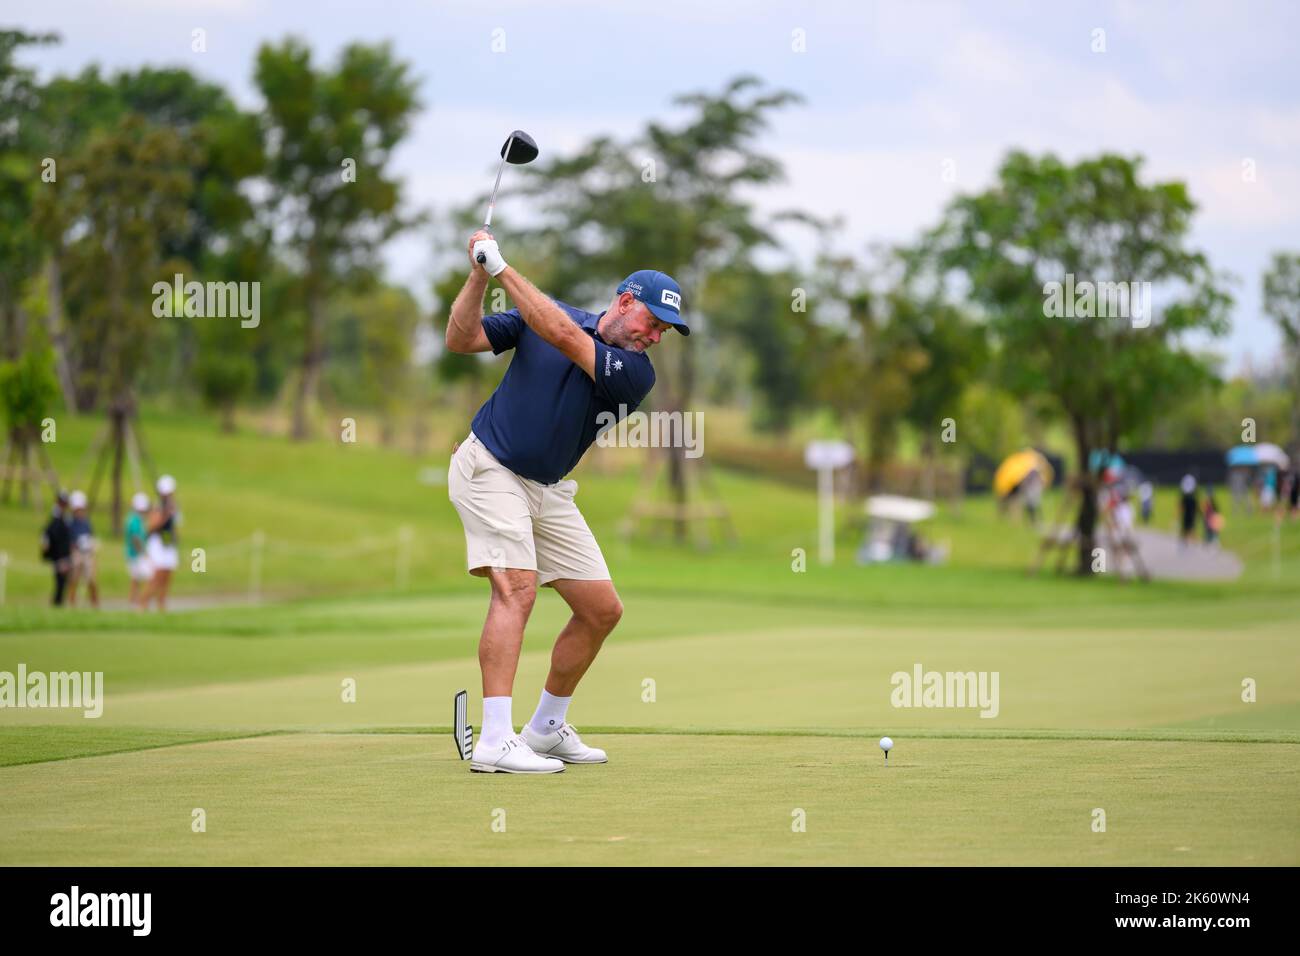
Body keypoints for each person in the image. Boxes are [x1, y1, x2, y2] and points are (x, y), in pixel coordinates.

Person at [443, 229, 687, 774]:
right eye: (653, 322)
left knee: (602, 609)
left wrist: (503, 266)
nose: (657, 336)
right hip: (489, 468)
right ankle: (495, 741)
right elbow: (462, 339)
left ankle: (545, 729)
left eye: (666, 330)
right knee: (518, 591)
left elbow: (558, 331)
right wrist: (479, 275)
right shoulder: (541, 316)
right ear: (625, 303)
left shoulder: (633, 372)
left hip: (546, 488)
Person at [145, 474, 181, 611]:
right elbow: (152, 527)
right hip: (158, 544)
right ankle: (144, 605)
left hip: (169, 543)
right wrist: (165, 515)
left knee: (167, 577)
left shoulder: (173, 507)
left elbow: (174, 527)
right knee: (156, 578)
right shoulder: (158, 507)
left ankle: (161, 606)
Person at [65, 490, 99, 609]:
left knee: (91, 580)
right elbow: (68, 538)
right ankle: (71, 603)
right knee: (74, 579)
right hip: (76, 553)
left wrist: (91, 545)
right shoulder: (69, 521)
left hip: (87, 553)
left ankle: (95, 604)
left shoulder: (86, 521)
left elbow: (90, 535)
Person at [39, 491, 73, 606]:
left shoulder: (64, 518)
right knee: (60, 581)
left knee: (63, 582)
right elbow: (51, 537)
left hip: (64, 554)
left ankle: (58, 603)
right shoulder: (56, 519)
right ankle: (57, 603)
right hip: (59, 555)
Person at [125, 492, 154, 609]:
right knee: (148, 577)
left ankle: (135, 601)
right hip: (136, 555)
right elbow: (135, 539)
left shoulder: (135, 519)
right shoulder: (135, 520)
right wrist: (143, 553)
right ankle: (141, 601)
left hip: (134, 554)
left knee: (136, 579)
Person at [1179, 473, 1198, 548]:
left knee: (1188, 528)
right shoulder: (1192, 497)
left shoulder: (1187, 497)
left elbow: (1181, 506)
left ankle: (1188, 542)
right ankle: (1188, 542)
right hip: (1190, 515)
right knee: (1189, 528)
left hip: (1188, 515)